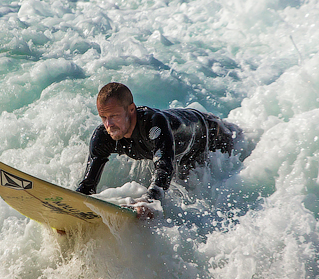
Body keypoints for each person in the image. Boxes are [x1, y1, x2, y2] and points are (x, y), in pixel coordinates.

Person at [75, 82, 240, 217]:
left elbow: (164, 167)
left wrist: (149, 200)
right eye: (103, 117)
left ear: (131, 109)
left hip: (211, 132)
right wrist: (73, 209)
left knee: (216, 185)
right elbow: (88, 184)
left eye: (114, 116)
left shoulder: (153, 125)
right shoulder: (103, 136)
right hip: (182, 150)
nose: (108, 125)